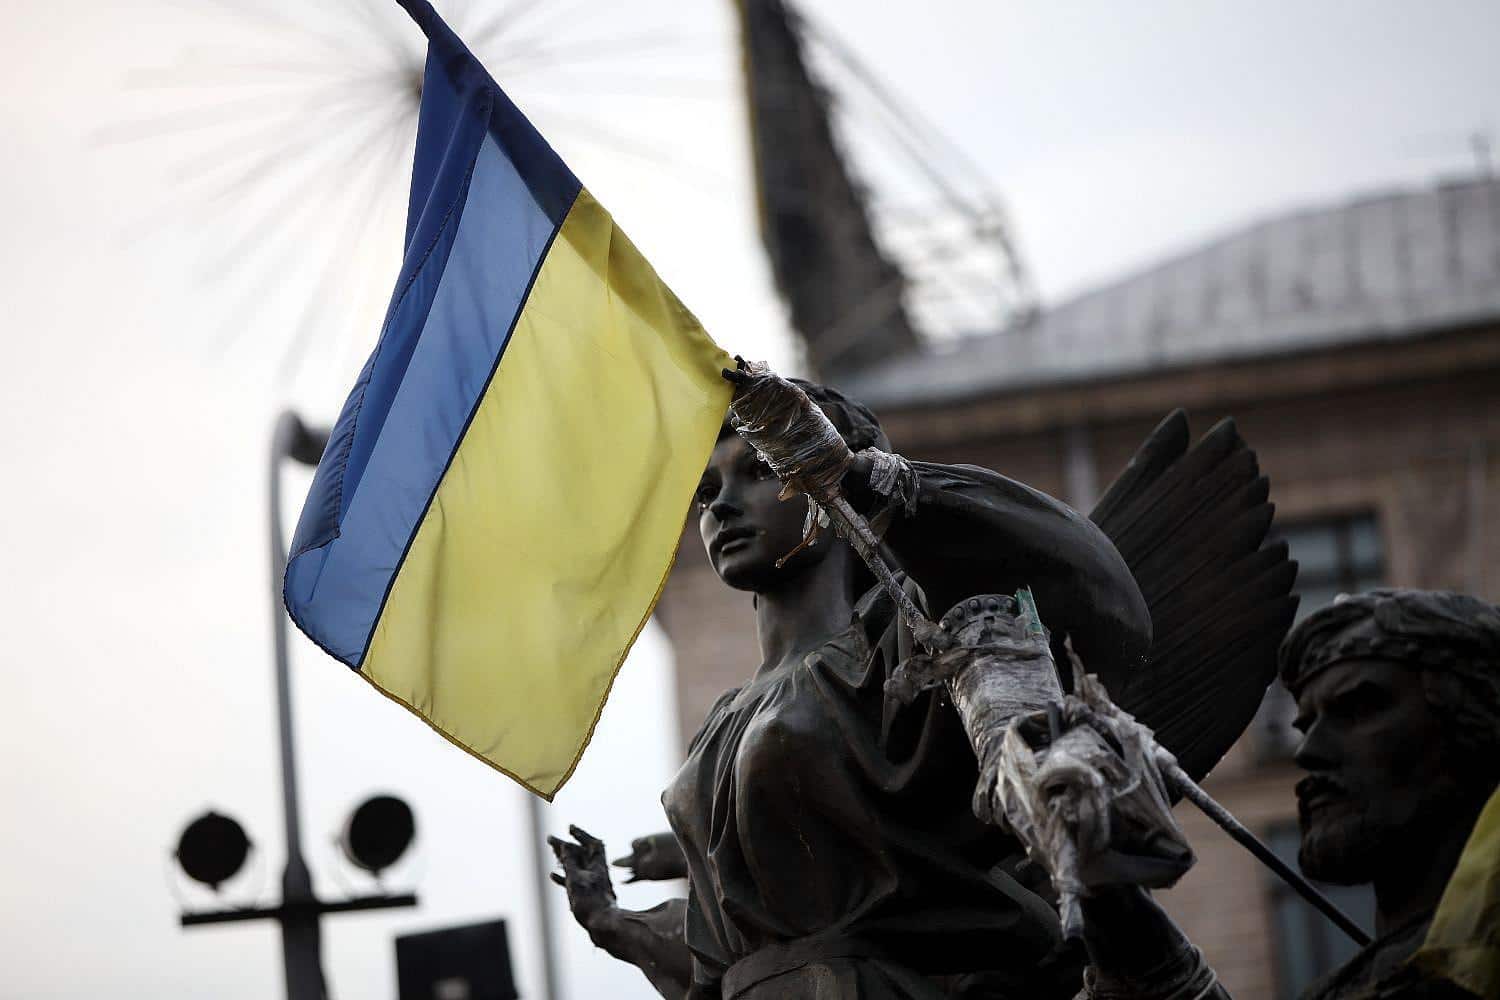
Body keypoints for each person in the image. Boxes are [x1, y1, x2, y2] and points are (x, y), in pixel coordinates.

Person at [550, 376, 1155, 999]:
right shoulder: (720, 726)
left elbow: (1092, 586)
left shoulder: (903, 652)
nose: (721, 507)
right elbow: (734, 967)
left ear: (824, 479)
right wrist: (614, 925)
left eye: (758, 471)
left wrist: (870, 481)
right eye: (705, 493)